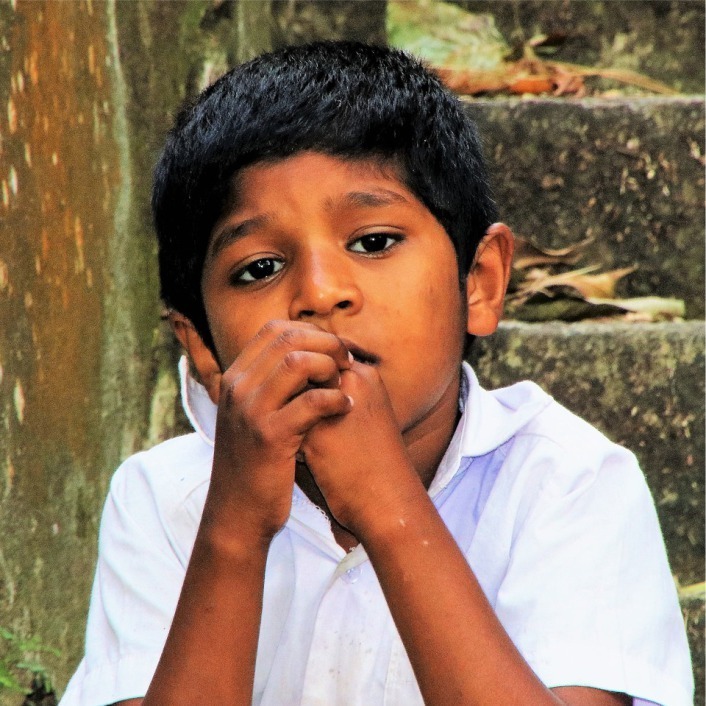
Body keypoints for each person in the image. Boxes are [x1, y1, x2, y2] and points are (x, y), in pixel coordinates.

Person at [59, 41, 693, 706]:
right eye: (259, 268)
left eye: (373, 242)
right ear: (206, 354)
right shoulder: (165, 501)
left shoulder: (568, 482)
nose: (320, 293)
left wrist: (388, 509)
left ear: (478, 283)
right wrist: (237, 525)